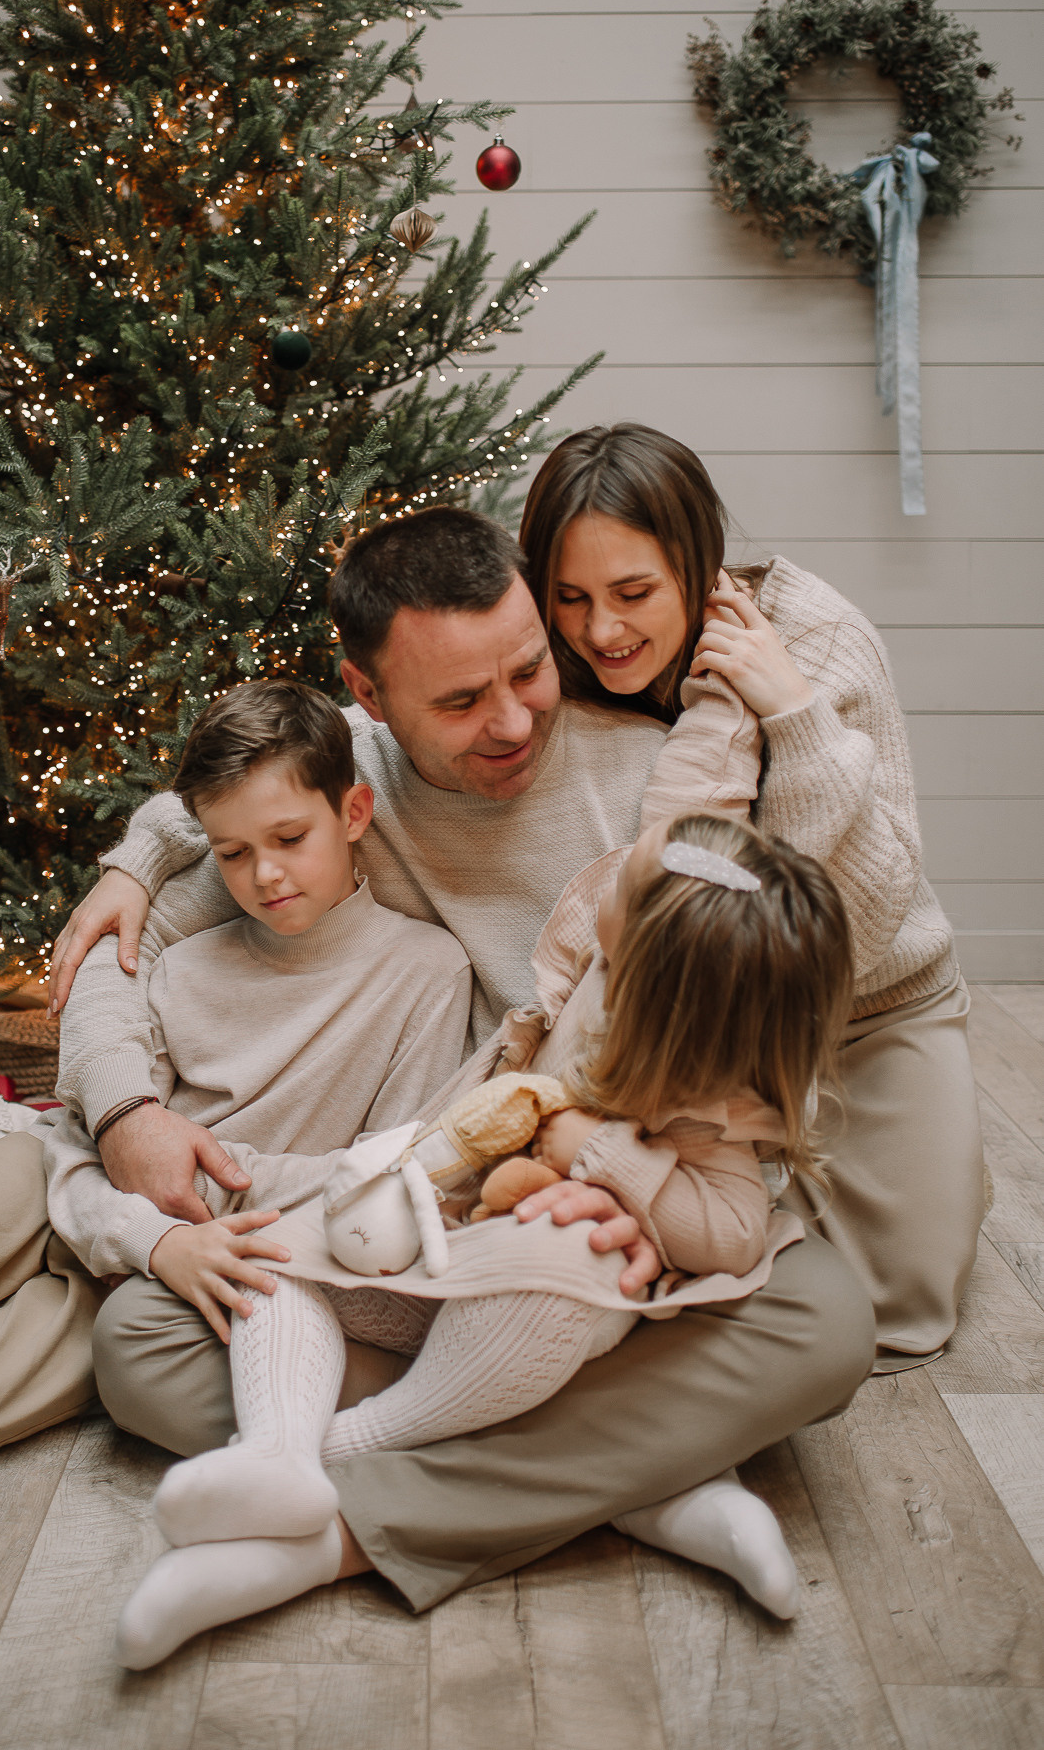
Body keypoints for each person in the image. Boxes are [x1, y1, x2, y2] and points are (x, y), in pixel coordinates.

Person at [54, 501, 873, 1620]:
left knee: (823, 1321)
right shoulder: (345, 805)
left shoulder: (651, 781)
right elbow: (122, 952)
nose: (510, 721)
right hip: (439, 1217)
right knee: (141, 1341)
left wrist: (636, 1188)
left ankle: (327, 1523)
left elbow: (781, 942)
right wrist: (126, 1110)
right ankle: (640, 1477)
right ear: (369, 697)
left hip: (636, 1228)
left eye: (528, 670)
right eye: (456, 700)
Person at [114, 813, 853, 1668]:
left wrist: (600, 1155)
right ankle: (638, 1480)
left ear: (657, 992)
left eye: (627, 882)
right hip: (451, 1256)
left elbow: (730, 1233)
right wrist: (134, 865)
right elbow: (226, 798)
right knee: (260, 1269)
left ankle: (334, 1471)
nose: (604, 875)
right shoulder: (611, 954)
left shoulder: (707, 1084)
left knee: (572, 1265)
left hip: (555, 1290)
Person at [518, 422, 984, 1364]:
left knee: (900, 1310)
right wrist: (145, 853)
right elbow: (377, 736)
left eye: (635, 593)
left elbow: (867, 912)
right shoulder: (551, 651)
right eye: (571, 598)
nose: (602, 631)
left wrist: (800, 724)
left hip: (862, 1007)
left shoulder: (816, 636)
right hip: (680, 1026)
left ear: (698, 563)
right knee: (647, 1280)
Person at [44, 677, 474, 1339]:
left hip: (224, 1269)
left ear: (354, 814)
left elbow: (387, 1180)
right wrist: (151, 1237)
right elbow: (90, 1147)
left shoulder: (431, 973)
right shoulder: (180, 968)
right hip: (118, 1238)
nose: (265, 875)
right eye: (233, 854)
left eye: (290, 839)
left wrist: (195, 1181)